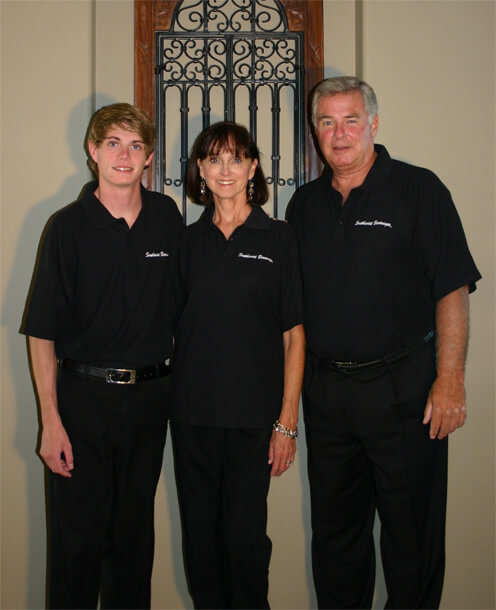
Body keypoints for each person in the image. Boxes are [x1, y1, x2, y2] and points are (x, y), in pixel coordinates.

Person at [286, 77, 481, 609]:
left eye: (351, 120)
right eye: (327, 122)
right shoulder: (303, 206)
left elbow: (452, 289)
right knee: (336, 543)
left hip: (406, 393)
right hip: (328, 398)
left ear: (374, 123)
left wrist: (450, 379)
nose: (339, 133)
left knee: (411, 540)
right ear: (315, 131)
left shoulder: (420, 190)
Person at [21, 103, 183, 609]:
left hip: (150, 401)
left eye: (135, 146)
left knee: (132, 546)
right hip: (82, 403)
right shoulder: (66, 227)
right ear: (93, 151)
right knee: (75, 547)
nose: (124, 155)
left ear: (149, 156)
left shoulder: (166, 218)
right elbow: (42, 332)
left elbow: (190, 304)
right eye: (113, 143)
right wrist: (50, 421)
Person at [170, 121, 305, 609]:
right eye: (214, 159)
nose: (225, 169)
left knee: (244, 543)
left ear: (253, 167)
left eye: (236, 158)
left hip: (253, 420)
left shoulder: (280, 238)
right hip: (192, 416)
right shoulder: (185, 243)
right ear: (200, 170)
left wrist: (286, 422)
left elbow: (294, 336)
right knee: (201, 545)